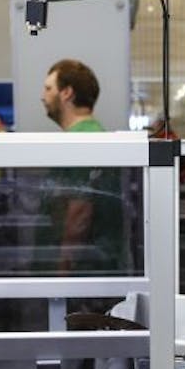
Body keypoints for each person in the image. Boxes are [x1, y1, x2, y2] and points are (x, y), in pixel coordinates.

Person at [39, 59, 123, 272]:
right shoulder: (93, 134)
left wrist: (64, 268)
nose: (43, 96)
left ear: (66, 93)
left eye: (49, 89)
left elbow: (80, 211)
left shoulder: (81, 141)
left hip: (83, 268)